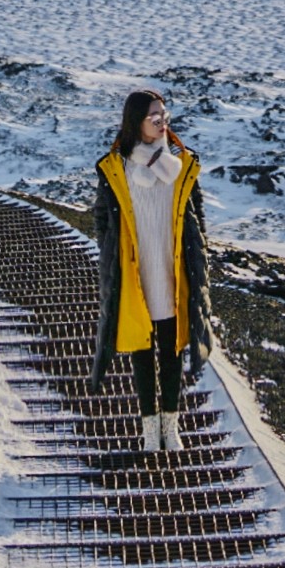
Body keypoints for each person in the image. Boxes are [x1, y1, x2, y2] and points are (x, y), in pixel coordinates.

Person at [86, 90, 213, 453]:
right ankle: (148, 430)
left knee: (172, 351)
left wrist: (198, 256)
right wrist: (112, 253)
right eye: (154, 117)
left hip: (173, 270)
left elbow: (196, 217)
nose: (162, 122)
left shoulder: (180, 168)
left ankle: (171, 428)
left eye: (164, 115)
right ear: (136, 122)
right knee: (142, 353)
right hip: (135, 272)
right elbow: (102, 218)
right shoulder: (117, 169)